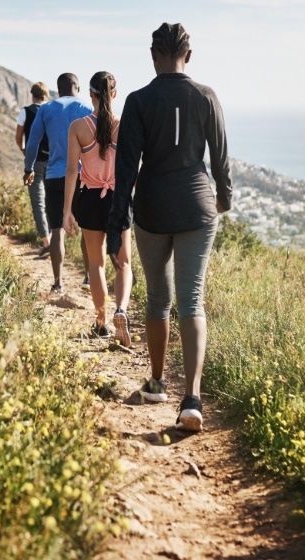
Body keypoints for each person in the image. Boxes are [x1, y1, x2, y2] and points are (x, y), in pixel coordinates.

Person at [105, 23, 231, 432]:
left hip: (152, 210)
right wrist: (222, 198)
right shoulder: (207, 96)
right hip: (197, 207)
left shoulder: (139, 101)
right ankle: (191, 400)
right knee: (192, 300)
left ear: (153, 55)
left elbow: (126, 170)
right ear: (188, 56)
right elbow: (220, 159)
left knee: (159, 298)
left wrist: (115, 225)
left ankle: (157, 384)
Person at [63, 72, 133, 344]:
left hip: (90, 199)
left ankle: (102, 322)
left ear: (90, 95)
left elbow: (71, 170)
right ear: (114, 95)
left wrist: (67, 209)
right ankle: (121, 311)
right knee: (123, 264)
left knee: (96, 265)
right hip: (118, 199)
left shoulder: (78, 127)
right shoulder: (124, 125)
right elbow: (132, 168)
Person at [24, 73, 93, 295]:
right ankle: (89, 277)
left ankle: (58, 283)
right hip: (83, 176)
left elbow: (32, 142)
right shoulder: (87, 109)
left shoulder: (46, 109)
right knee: (87, 229)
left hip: (54, 176)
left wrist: (29, 169)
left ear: (57, 88)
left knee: (57, 230)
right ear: (78, 87)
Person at [16, 82, 52, 256]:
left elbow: (19, 137)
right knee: (52, 202)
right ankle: (53, 240)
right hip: (53, 162)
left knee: (38, 204)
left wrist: (24, 151)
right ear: (46, 95)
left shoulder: (26, 111)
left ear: (33, 95)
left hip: (34, 163)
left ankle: (47, 242)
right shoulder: (53, 110)